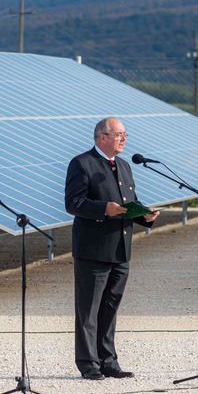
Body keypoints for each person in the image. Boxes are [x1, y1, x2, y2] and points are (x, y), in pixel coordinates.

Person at [63, 117, 159, 380]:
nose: (123, 139)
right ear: (101, 137)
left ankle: (108, 360)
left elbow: (129, 203)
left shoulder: (125, 166)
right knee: (89, 309)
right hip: (93, 249)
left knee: (110, 308)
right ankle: (88, 363)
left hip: (120, 249)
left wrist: (144, 217)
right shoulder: (82, 163)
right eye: (118, 134)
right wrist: (104, 209)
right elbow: (73, 203)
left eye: (124, 134)